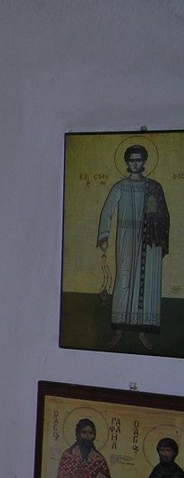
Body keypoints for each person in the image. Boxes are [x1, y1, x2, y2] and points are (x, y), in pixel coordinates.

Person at [97, 144, 170, 350]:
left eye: (139, 160)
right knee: (124, 280)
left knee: (145, 284)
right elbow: (107, 211)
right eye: (132, 160)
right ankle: (118, 332)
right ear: (127, 163)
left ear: (144, 162)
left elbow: (164, 216)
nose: (135, 163)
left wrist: (154, 212)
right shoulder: (120, 186)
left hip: (149, 241)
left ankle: (143, 334)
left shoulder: (154, 187)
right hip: (127, 237)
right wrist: (104, 235)